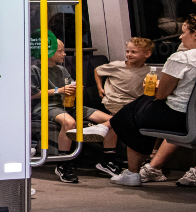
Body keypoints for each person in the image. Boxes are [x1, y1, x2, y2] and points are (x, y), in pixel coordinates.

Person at [109, 16, 196, 187]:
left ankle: (132, 172)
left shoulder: (181, 59)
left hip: (179, 118)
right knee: (139, 107)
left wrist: (157, 86)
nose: (179, 37)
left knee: (131, 114)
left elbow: (161, 95)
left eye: (184, 33)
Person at [29, 30, 116, 183]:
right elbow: (31, 94)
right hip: (45, 106)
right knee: (69, 123)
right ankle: (64, 163)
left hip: (67, 104)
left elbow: (68, 85)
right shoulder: (34, 70)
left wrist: (75, 88)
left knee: (114, 120)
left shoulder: (61, 69)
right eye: (60, 51)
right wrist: (59, 90)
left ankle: (107, 160)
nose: (64, 54)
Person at [85, 38, 154, 175]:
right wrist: (100, 88)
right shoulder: (116, 66)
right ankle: (109, 158)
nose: (129, 54)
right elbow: (98, 71)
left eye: (134, 52)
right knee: (126, 121)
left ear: (147, 54)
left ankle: (147, 157)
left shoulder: (149, 71)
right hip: (114, 101)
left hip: (133, 103)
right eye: (128, 51)